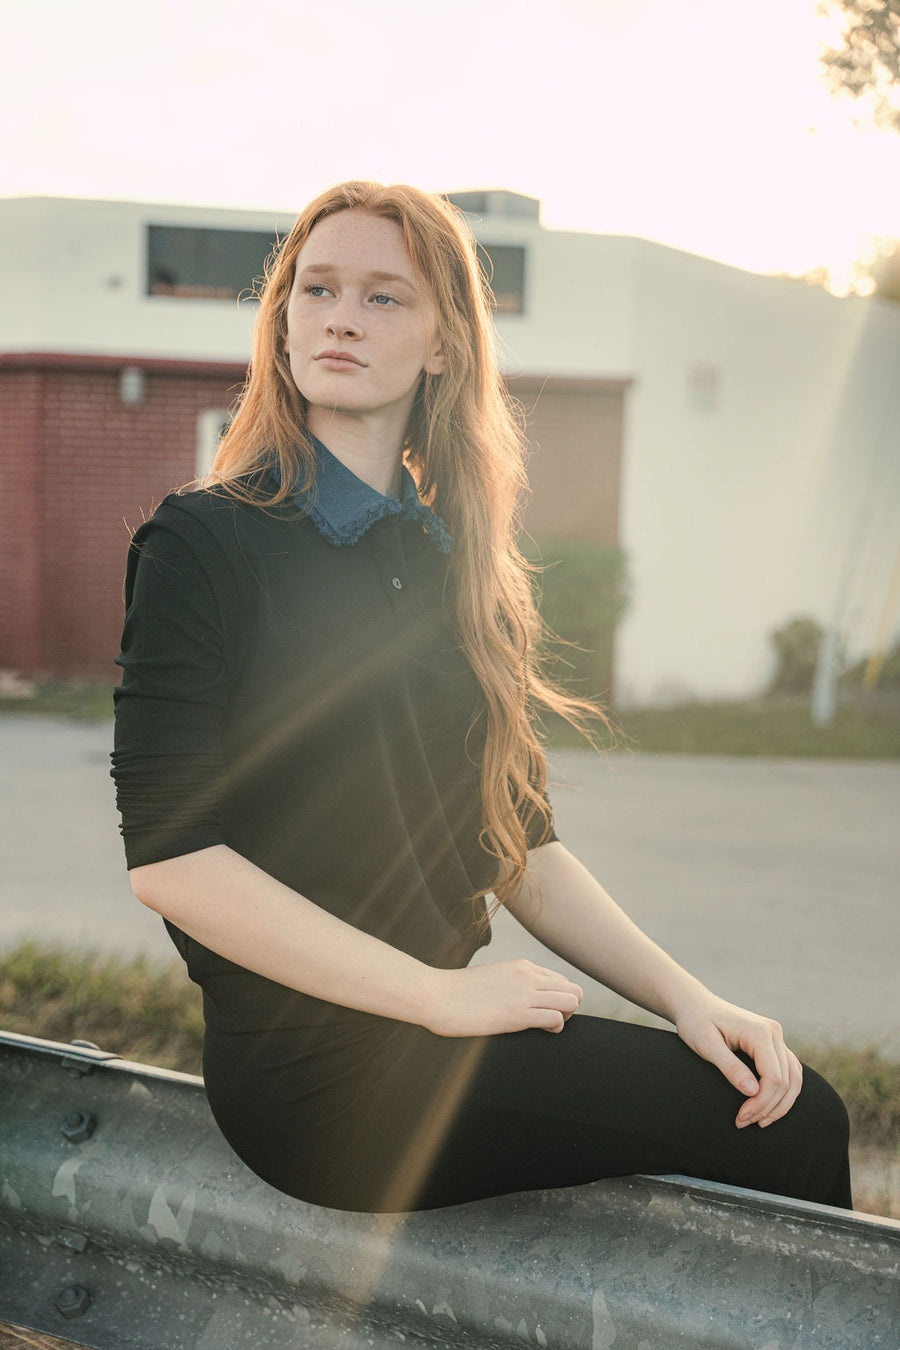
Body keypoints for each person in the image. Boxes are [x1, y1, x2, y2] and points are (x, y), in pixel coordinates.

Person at [112, 181, 852, 1215]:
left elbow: (519, 845)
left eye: (384, 298)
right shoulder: (203, 541)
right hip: (320, 1079)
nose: (339, 316)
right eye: (316, 288)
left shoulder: (454, 561)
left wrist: (691, 999)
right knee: (803, 1127)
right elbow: (175, 862)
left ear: (445, 343)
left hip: (450, 1032)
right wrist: (436, 996)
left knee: (774, 1094)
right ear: (280, 322)